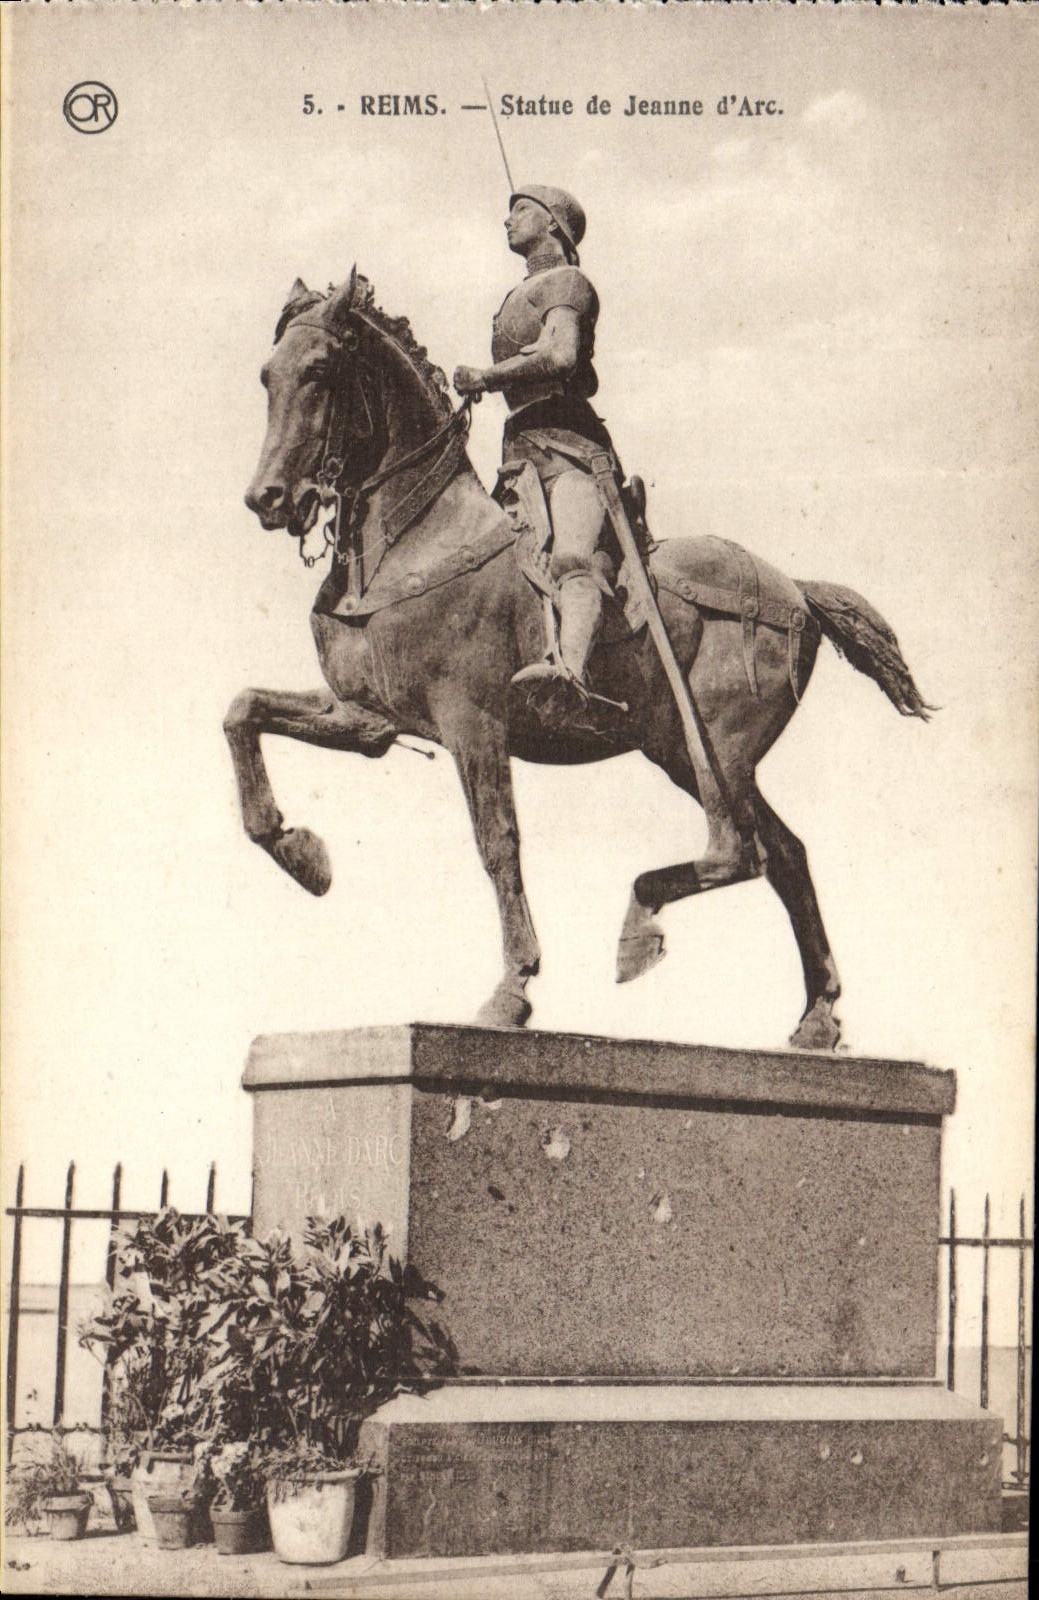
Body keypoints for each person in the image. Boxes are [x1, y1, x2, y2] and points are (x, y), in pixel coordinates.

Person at [453, 185, 623, 690]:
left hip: (570, 447)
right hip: (520, 452)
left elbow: (563, 353)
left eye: (521, 210)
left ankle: (572, 677)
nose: (508, 220)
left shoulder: (567, 281)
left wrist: (486, 377)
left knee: (572, 557)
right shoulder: (514, 297)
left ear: (554, 223)